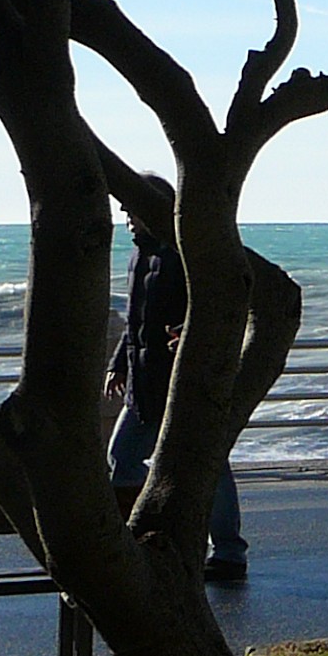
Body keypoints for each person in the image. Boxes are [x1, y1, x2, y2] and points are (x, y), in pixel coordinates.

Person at [107, 178, 249, 582]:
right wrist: (119, 363)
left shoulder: (188, 257)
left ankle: (228, 552)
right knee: (122, 458)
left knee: (211, 465)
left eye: (132, 210)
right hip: (142, 386)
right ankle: (142, 537)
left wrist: (188, 332)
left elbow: (219, 308)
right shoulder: (138, 258)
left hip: (182, 384)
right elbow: (135, 322)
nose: (125, 219)